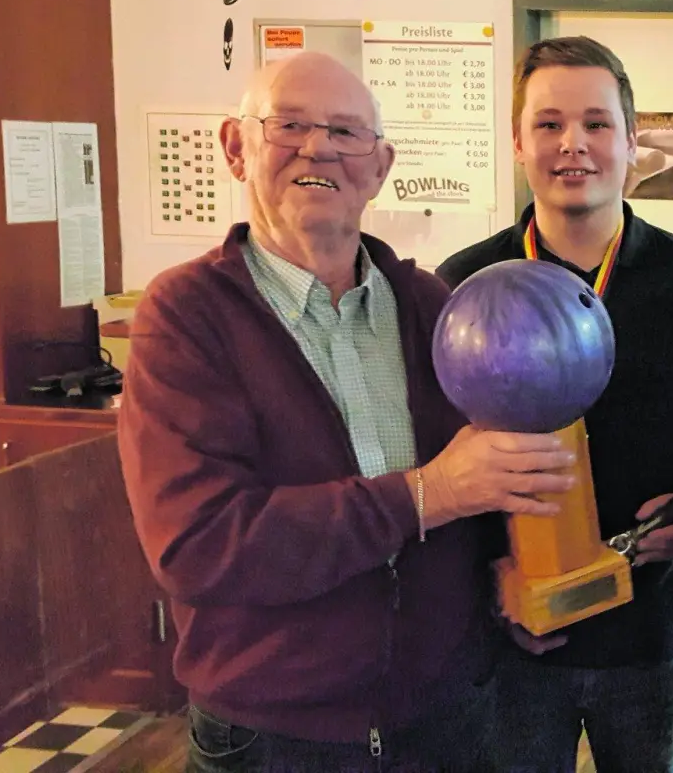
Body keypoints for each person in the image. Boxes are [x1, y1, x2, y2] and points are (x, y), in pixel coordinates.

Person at [118, 52, 578, 772]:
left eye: (346, 131)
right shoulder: (185, 319)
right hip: (275, 738)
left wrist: (508, 572)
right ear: (236, 148)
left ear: (381, 164)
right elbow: (199, 548)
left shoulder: (434, 309)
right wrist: (429, 494)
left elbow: (483, 498)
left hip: (447, 720)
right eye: (290, 124)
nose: (319, 147)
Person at [435, 35, 673, 773]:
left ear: (633, 142)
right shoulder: (467, 287)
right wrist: (491, 578)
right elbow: (435, 461)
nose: (572, 144)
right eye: (548, 124)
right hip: (509, 643)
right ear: (518, 142)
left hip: (653, 640)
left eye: (597, 124)